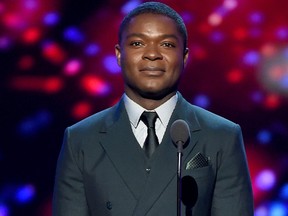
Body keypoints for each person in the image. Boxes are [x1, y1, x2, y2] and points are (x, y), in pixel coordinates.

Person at [52, 2, 254, 216]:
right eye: (138, 43)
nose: (152, 54)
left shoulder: (222, 136)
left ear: (184, 57)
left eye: (166, 45)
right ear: (119, 55)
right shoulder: (80, 139)